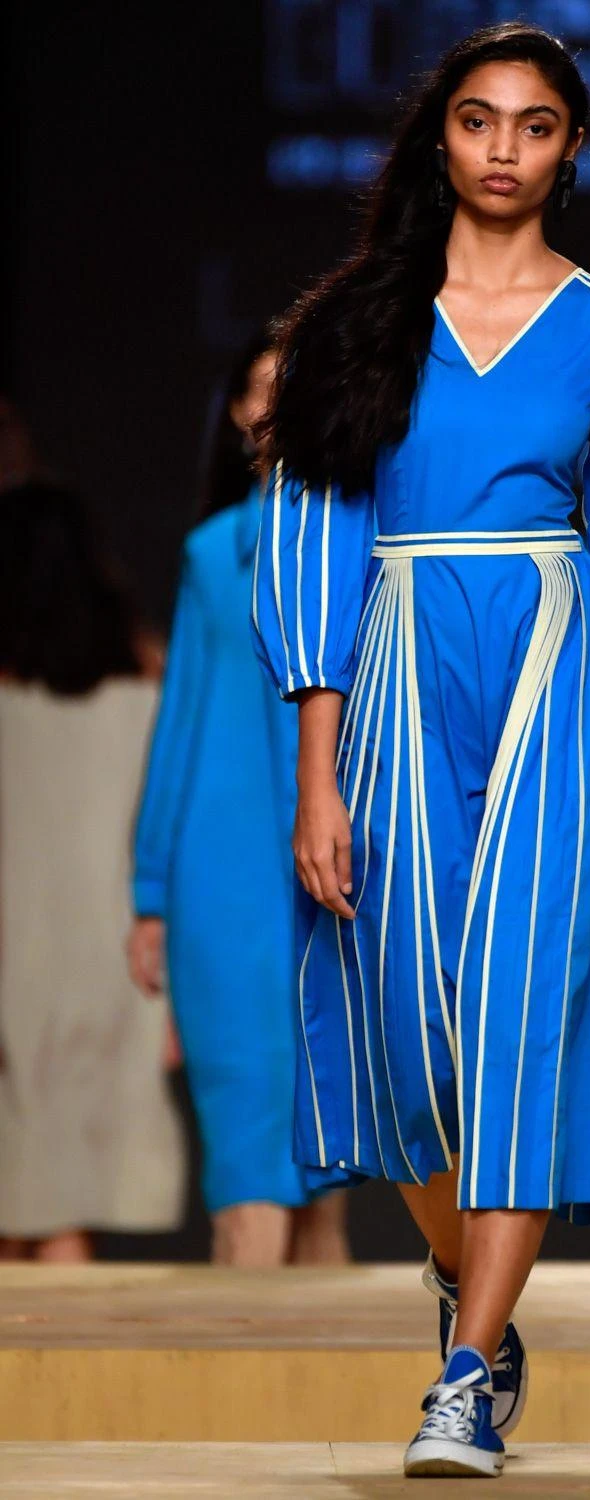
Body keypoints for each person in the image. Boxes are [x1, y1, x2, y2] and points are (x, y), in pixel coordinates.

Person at [252, 21, 590, 1478]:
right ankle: (472, 1290)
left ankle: (462, 1379)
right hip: (394, 673)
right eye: (476, 119)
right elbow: (312, 540)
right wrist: (316, 771)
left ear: (571, 150)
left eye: (535, 124)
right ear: (438, 137)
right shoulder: (356, 323)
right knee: (401, 1030)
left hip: (564, 676)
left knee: (519, 1014)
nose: (503, 148)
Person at [127, 336, 349, 1267]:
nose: (274, 404)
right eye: (259, 389)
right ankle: (241, 1359)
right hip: (222, 877)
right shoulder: (215, 553)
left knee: (327, 1176)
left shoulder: (371, 539)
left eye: (291, 386)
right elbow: (181, 722)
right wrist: (151, 894)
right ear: (236, 416)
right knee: (251, 1164)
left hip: (339, 878)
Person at [0, 481, 184, 1260]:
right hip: (116, 964)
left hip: (18, 960)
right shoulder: (153, 689)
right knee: (60, 1198)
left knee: (30, 1195)